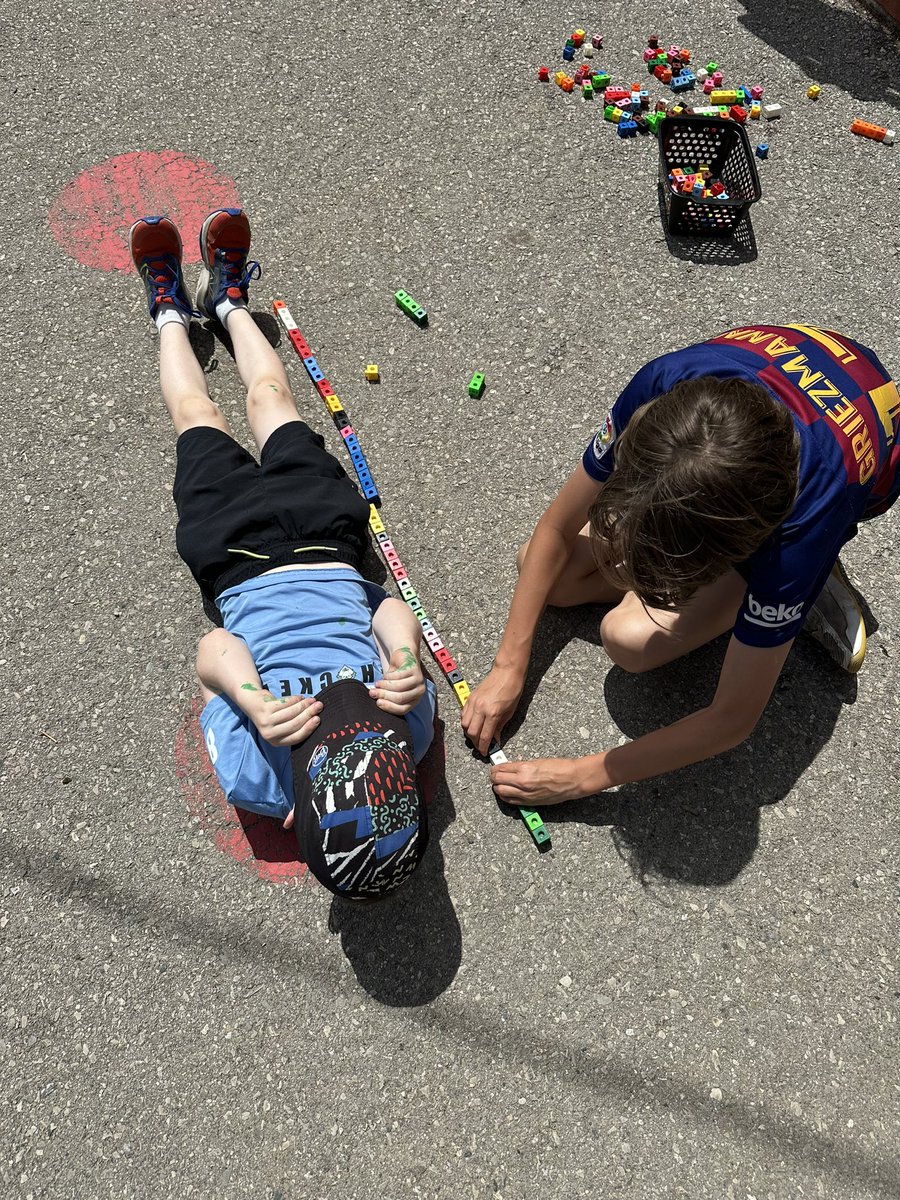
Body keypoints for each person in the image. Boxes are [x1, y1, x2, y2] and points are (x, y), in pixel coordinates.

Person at [130, 208, 436, 900]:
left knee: (197, 419)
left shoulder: (255, 774)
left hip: (236, 556)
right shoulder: (407, 735)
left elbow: (213, 652)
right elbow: (385, 607)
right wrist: (406, 659)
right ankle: (229, 302)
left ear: (295, 811)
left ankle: (169, 313)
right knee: (273, 400)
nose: (352, 713)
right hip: (328, 540)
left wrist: (253, 700)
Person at [461, 324, 899, 806]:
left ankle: (803, 590)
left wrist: (582, 777)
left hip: (838, 466)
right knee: (546, 571)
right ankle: (767, 600)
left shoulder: (799, 531)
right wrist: (509, 666)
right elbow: (556, 531)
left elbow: (732, 718)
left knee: (628, 640)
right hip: (801, 376)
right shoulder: (665, 387)